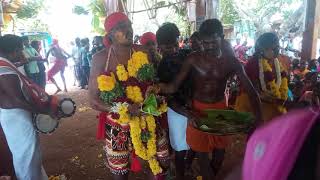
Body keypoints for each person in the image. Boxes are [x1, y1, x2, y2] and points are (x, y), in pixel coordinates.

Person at [158, 19, 262, 180]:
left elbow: (251, 92)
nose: (209, 47)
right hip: (198, 109)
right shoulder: (193, 59)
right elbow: (173, 86)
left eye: (213, 42)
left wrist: (259, 121)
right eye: (205, 43)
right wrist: (155, 87)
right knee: (202, 154)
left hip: (220, 108)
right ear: (200, 41)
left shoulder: (232, 62)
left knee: (220, 155)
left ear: (222, 37)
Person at [88, 12, 169, 180]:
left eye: (129, 25)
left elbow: (152, 81)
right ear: (110, 34)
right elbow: (93, 101)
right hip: (118, 122)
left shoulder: (143, 51)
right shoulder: (100, 58)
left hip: (147, 115)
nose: (128, 30)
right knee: (120, 171)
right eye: (121, 27)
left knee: (163, 160)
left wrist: (153, 91)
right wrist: (124, 109)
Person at [0, 34, 52, 180]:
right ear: (15, 50)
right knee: (27, 156)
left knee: (23, 155)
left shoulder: (4, 63)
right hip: (18, 118)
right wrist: (43, 111)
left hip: (12, 117)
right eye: (21, 49)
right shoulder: (4, 68)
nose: (22, 52)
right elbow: (16, 100)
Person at [156, 23, 194, 180]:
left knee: (194, 144)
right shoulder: (162, 67)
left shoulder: (187, 54)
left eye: (174, 44)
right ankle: (180, 175)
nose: (172, 49)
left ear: (179, 39)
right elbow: (168, 97)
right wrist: (185, 112)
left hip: (193, 105)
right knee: (179, 148)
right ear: (160, 47)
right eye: (167, 47)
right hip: (176, 110)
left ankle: (187, 166)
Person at [235, 33, 289, 122]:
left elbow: (282, 82)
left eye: (275, 48)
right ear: (261, 49)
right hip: (252, 105)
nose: (272, 51)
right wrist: (264, 96)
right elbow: (250, 88)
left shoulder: (278, 62)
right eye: (268, 48)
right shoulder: (253, 63)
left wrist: (281, 97)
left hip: (273, 105)